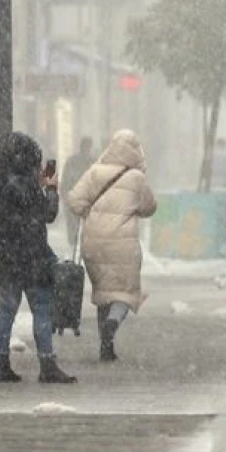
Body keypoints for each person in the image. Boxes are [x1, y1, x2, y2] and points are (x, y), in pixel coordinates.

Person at [0, 131, 76, 384]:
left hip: (6, 257)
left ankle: (1, 362)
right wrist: (50, 190)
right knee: (41, 310)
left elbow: (8, 215)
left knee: (6, 312)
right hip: (32, 257)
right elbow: (48, 214)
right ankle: (47, 364)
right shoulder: (28, 187)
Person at [67, 130, 157, 362]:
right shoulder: (137, 178)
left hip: (94, 241)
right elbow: (149, 207)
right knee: (125, 293)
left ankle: (105, 347)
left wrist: (93, 212)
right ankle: (112, 324)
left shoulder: (95, 172)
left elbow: (75, 201)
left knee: (103, 293)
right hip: (123, 242)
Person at [60, 137, 95, 251]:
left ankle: (76, 245)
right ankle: (77, 245)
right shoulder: (92, 162)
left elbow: (65, 180)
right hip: (82, 199)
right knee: (78, 227)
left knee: (76, 228)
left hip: (79, 198)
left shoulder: (74, 161)